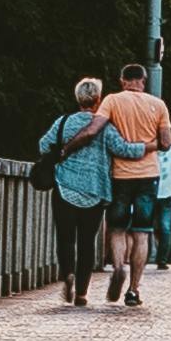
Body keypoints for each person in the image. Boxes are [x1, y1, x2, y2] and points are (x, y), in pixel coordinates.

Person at [98, 65, 171, 311]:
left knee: (118, 228)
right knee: (142, 232)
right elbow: (166, 142)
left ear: (122, 80)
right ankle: (133, 289)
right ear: (143, 80)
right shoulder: (158, 104)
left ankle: (119, 266)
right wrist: (150, 143)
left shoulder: (111, 100)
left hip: (119, 175)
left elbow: (96, 127)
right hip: (148, 176)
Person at [40, 72, 118, 306]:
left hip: (65, 188)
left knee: (65, 238)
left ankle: (68, 275)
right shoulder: (105, 126)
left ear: (78, 98)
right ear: (98, 99)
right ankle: (82, 293)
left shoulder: (63, 122)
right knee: (87, 242)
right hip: (94, 192)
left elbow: (44, 145)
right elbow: (120, 148)